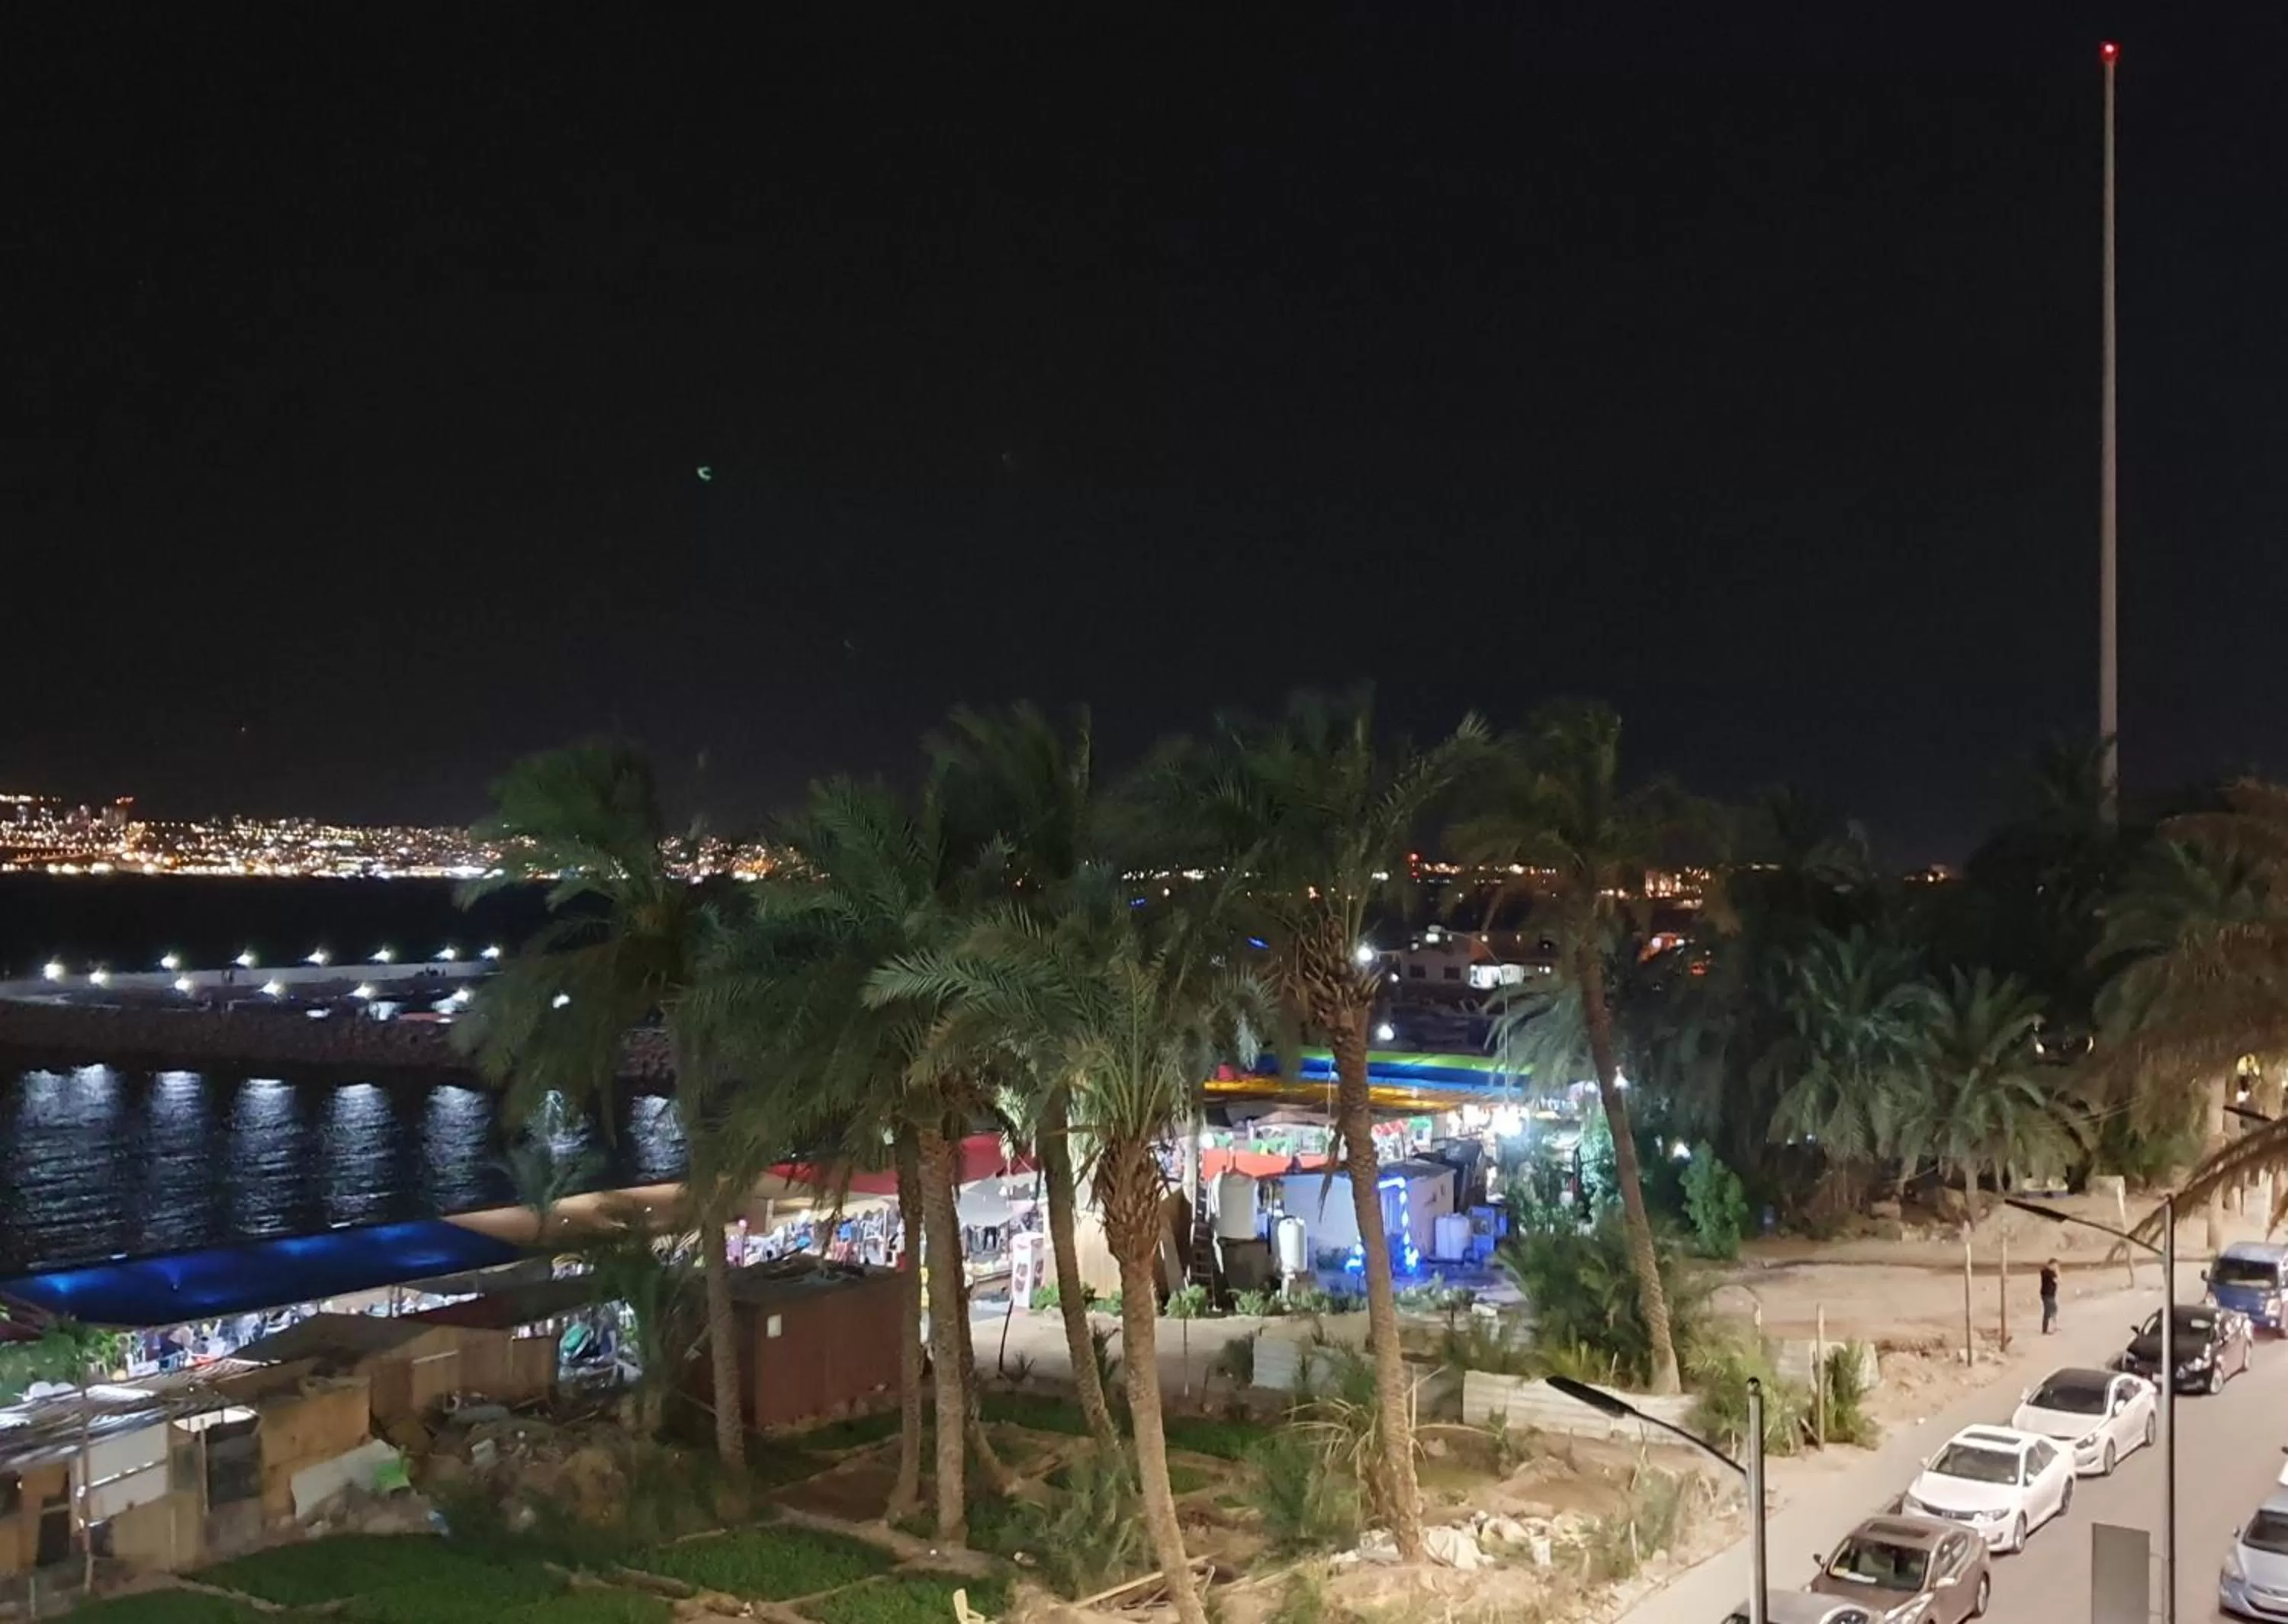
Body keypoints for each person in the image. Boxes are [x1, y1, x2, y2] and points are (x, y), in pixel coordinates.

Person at [2040, 1258, 2061, 1334]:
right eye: (2056, 1265)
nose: (2057, 1267)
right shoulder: (2048, 1272)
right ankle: (2046, 1329)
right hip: (2047, 1294)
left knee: (2053, 1309)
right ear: (2052, 1264)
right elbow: (2058, 1281)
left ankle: (2053, 1327)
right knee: (2048, 1311)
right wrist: (2057, 1272)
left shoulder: (2048, 1271)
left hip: (2050, 1294)